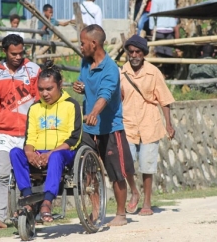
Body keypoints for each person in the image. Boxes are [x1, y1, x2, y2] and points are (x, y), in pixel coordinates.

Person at [73, 24, 137, 226]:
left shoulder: (110, 68)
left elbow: (106, 95)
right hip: (90, 129)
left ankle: (120, 215)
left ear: (94, 43)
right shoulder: (86, 63)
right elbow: (88, 85)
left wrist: (94, 112)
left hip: (110, 128)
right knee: (89, 174)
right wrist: (81, 87)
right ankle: (95, 212)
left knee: (116, 173)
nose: (80, 47)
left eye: (82, 43)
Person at [10, 61, 82, 223]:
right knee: (15, 152)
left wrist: (51, 153)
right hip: (38, 153)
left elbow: (74, 138)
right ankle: (28, 199)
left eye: (49, 89)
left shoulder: (71, 105)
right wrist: (29, 153)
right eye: (41, 89)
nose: (45, 93)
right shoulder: (35, 108)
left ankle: (47, 202)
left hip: (63, 153)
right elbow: (30, 138)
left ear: (60, 85)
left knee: (56, 157)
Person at [0, 34, 41, 230]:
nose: (17, 57)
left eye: (21, 53)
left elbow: (41, 101)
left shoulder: (33, 70)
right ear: (5, 52)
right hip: (6, 135)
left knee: (28, 174)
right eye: (13, 54)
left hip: (29, 134)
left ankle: (27, 210)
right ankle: (1, 218)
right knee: (2, 175)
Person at [120, 35, 175, 216]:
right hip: (127, 123)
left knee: (147, 165)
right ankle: (134, 191)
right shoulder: (121, 73)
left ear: (144, 53)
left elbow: (164, 100)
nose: (134, 55)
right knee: (127, 164)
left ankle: (147, 202)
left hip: (150, 122)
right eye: (131, 52)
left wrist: (169, 124)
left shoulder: (153, 72)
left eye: (138, 52)